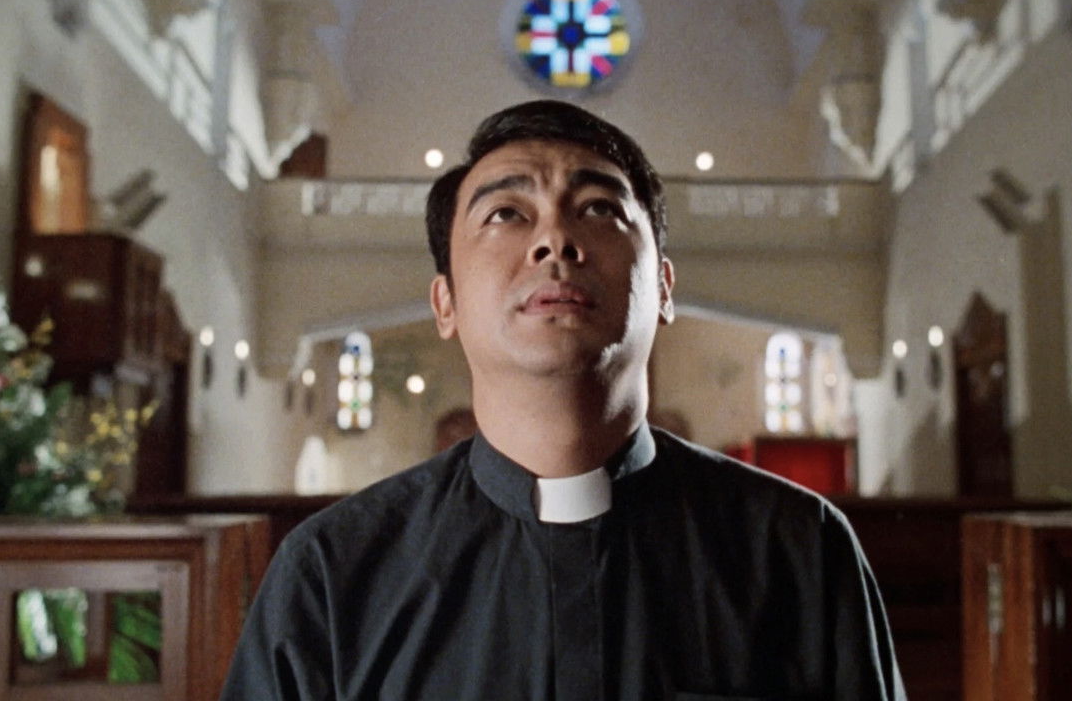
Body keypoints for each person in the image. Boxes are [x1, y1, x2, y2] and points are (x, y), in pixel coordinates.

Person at [220, 100, 906, 700]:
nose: (556, 240)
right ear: (446, 302)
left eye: (600, 209)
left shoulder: (797, 549)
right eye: (506, 213)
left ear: (664, 288)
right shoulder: (333, 573)